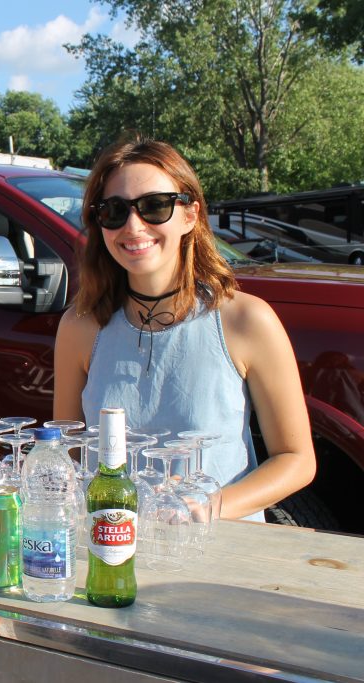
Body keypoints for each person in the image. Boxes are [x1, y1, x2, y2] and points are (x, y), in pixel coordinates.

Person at [53, 136, 316, 521]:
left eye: (154, 206)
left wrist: (209, 508)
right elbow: (69, 451)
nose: (133, 225)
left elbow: (296, 459)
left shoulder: (246, 320)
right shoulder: (79, 326)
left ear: (190, 215)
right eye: (114, 211)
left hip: (218, 550)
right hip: (112, 545)